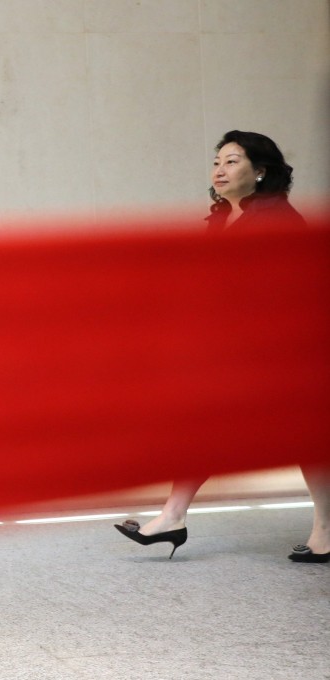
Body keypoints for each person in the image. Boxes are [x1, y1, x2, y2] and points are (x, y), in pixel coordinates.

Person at [113, 130, 329, 563]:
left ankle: (325, 528)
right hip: (232, 350)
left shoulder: (278, 221)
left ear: (261, 171)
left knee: (308, 439)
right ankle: (173, 516)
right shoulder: (221, 219)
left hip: (276, 352)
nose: (219, 169)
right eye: (217, 161)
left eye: (232, 160)